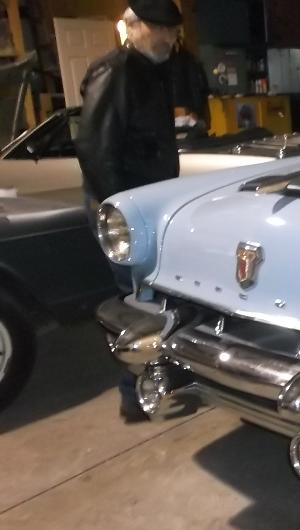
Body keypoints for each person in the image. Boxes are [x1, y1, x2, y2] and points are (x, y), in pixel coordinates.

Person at [75, 0, 182, 423]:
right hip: (126, 209)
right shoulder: (117, 70)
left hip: (143, 204)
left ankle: (151, 382)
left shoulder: (149, 70)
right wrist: (121, 214)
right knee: (138, 303)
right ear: (133, 27)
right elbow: (94, 147)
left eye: (173, 30)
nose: (169, 38)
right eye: (159, 28)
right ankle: (135, 395)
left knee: (151, 297)